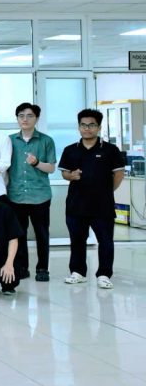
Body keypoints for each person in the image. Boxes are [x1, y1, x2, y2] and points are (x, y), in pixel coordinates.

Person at [59, 108, 125, 289]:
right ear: (79, 127)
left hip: (102, 206)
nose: (87, 129)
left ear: (99, 127)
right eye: (83, 125)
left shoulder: (110, 150)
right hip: (76, 205)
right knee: (77, 240)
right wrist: (71, 176)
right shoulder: (70, 150)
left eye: (91, 125)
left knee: (105, 241)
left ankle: (104, 274)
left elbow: (119, 174)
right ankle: (78, 272)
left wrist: (105, 190)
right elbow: (65, 173)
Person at [7, 103, 57, 282]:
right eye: (21, 116)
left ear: (37, 118)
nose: (25, 119)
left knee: (42, 234)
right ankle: (21, 267)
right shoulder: (10, 140)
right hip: (16, 195)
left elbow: (51, 168)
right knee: (19, 234)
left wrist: (36, 163)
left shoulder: (46, 141)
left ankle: (42, 268)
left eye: (29, 116)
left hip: (40, 196)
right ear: (17, 118)